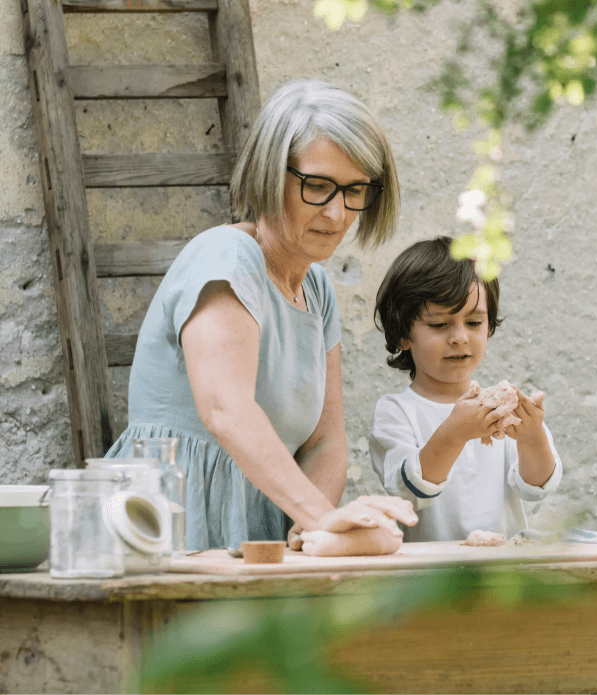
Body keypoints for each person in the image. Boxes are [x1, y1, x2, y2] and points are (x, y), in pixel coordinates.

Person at [105, 79, 417, 553]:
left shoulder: (316, 289)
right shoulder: (227, 257)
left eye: (356, 191)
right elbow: (225, 410)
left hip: (264, 524)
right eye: (317, 186)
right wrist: (322, 516)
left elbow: (325, 441)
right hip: (175, 516)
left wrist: (309, 524)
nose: (337, 213)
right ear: (271, 174)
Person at [369, 236, 562, 542]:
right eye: (439, 325)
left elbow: (536, 486)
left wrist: (532, 438)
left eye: (473, 323)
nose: (459, 337)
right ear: (403, 335)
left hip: (502, 578)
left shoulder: (502, 407)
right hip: (428, 580)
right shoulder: (397, 411)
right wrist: (455, 433)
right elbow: (410, 490)